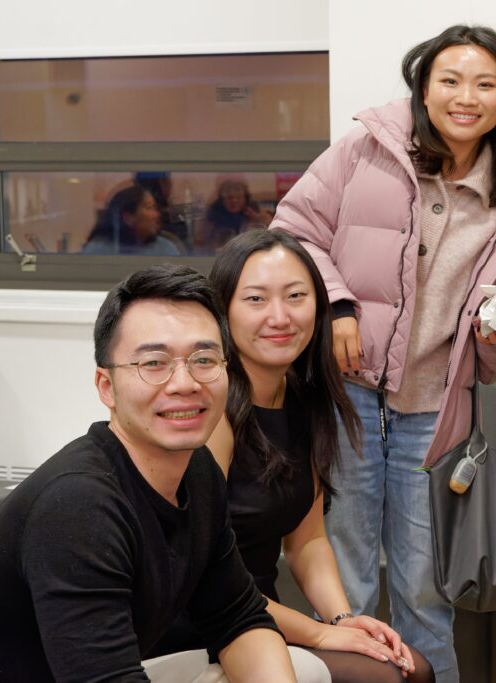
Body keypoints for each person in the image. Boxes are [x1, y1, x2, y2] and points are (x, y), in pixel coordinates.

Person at [271, 24, 496, 682]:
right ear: (424, 86)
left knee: (424, 588)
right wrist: (337, 305)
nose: (466, 96)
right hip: (348, 394)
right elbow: (293, 230)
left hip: (433, 409)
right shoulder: (368, 149)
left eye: (485, 83)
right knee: (346, 580)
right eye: (450, 79)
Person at [0, 264, 296, 681]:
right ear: (106, 386)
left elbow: (238, 618)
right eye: (153, 363)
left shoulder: (198, 472)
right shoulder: (78, 507)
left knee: (304, 670)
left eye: (203, 359)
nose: (185, 382)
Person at [152, 229, 434, 682]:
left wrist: (344, 620)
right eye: (256, 300)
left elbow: (307, 541)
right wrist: (321, 635)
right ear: (222, 311)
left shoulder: (305, 399)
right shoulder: (212, 412)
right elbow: (204, 575)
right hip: (202, 625)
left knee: (405, 667)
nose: (279, 317)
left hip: (261, 619)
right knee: (395, 676)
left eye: (296, 296)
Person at [82, 184, 185, 256]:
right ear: (128, 218)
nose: (157, 214)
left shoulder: (165, 248)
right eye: (149, 207)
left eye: (156, 208)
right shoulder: (99, 249)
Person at [197, 177, 274, 254]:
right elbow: (199, 241)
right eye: (229, 197)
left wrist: (258, 219)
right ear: (222, 199)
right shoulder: (213, 213)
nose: (234, 201)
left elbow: (272, 233)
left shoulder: (252, 209)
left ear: (245, 198)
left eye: (239, 197)